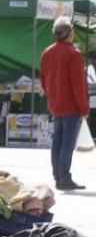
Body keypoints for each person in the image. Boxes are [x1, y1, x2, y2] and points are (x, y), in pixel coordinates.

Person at [39, 17, 88, 191]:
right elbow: (78, 85)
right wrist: (84, 108)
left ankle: (58, 176)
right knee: (67, 144)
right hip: (71, 106)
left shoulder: (47, 52)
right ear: (70, 33)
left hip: (55, 104)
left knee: (57, 142)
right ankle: (64, 179)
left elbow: (43, 79)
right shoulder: (74, 54)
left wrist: (51, 96)